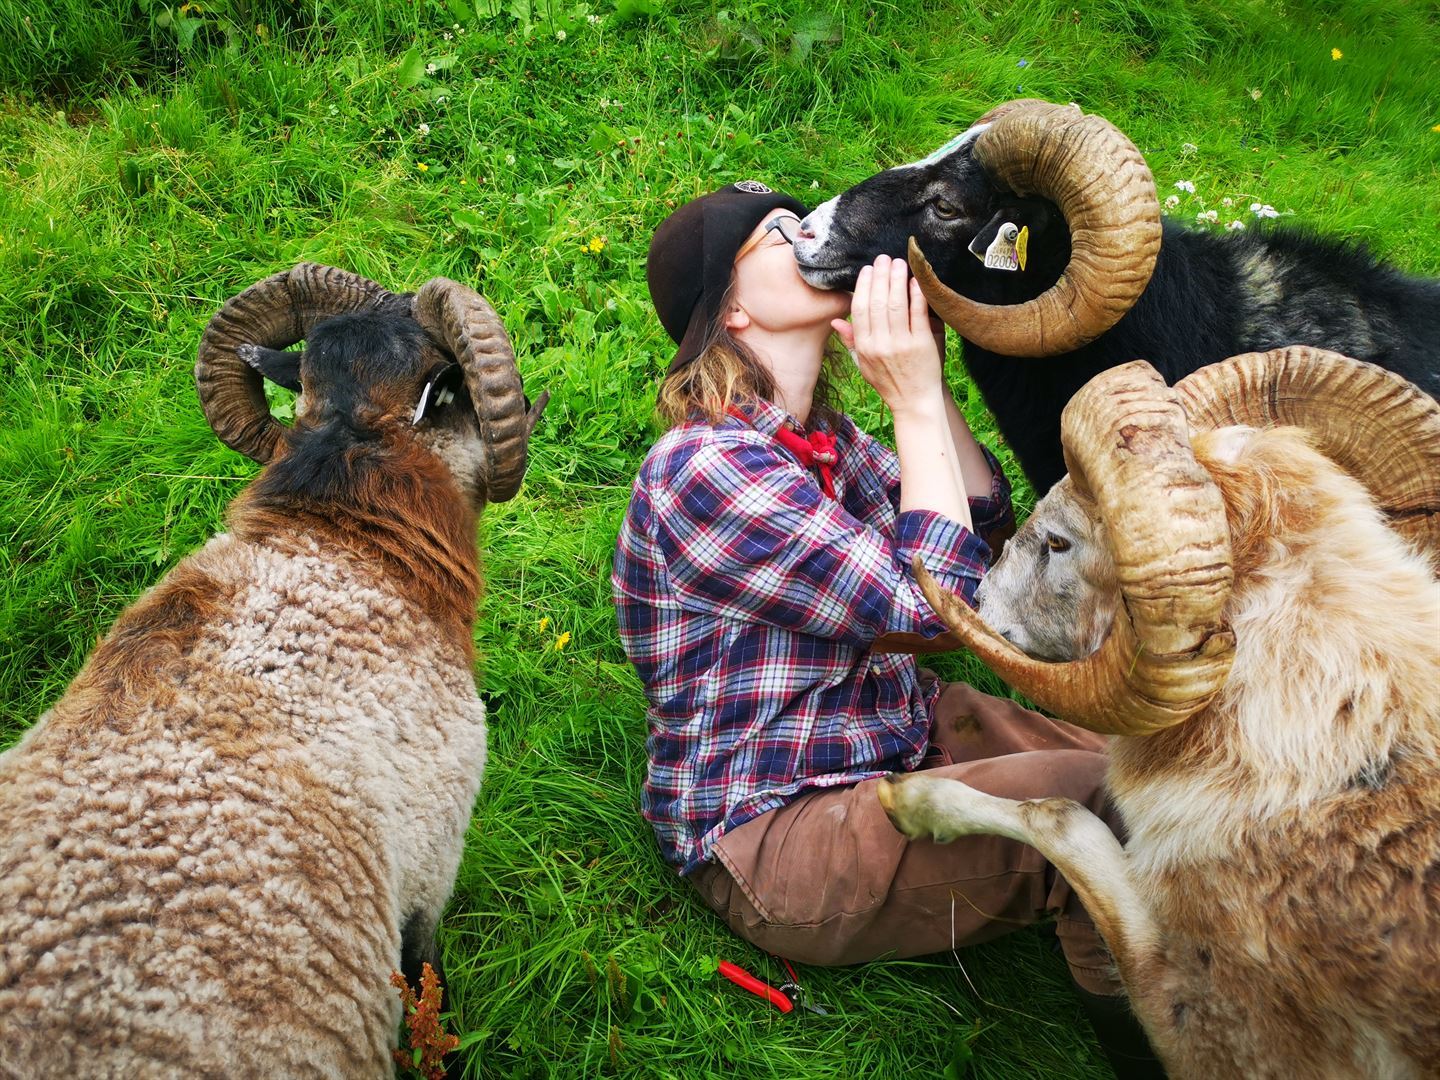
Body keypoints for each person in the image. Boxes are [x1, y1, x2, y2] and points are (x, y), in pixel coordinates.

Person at [612, 181, 1164, 1078]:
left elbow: (983, 537)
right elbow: (934, 607)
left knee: (1162, 759)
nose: (811, 238)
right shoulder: (701, 468)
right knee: (1112, 808)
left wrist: (928, 387)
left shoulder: (824, 440)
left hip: (899, 739)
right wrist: (909, 403)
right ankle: (1159, 1045)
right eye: (779, 234)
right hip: (776, 828)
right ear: (735, 312)